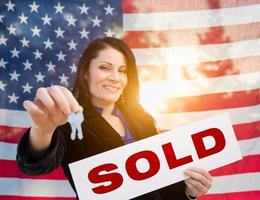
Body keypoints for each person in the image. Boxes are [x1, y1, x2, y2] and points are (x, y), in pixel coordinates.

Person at [16, 37, 212, 200]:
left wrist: (189, 193)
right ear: (85, 73)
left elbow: (163, 188)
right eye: (105, 67)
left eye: (123, 70)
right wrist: (43, 129)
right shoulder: (69, 122)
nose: (115, 77)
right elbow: (35, 165)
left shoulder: (141, 120)